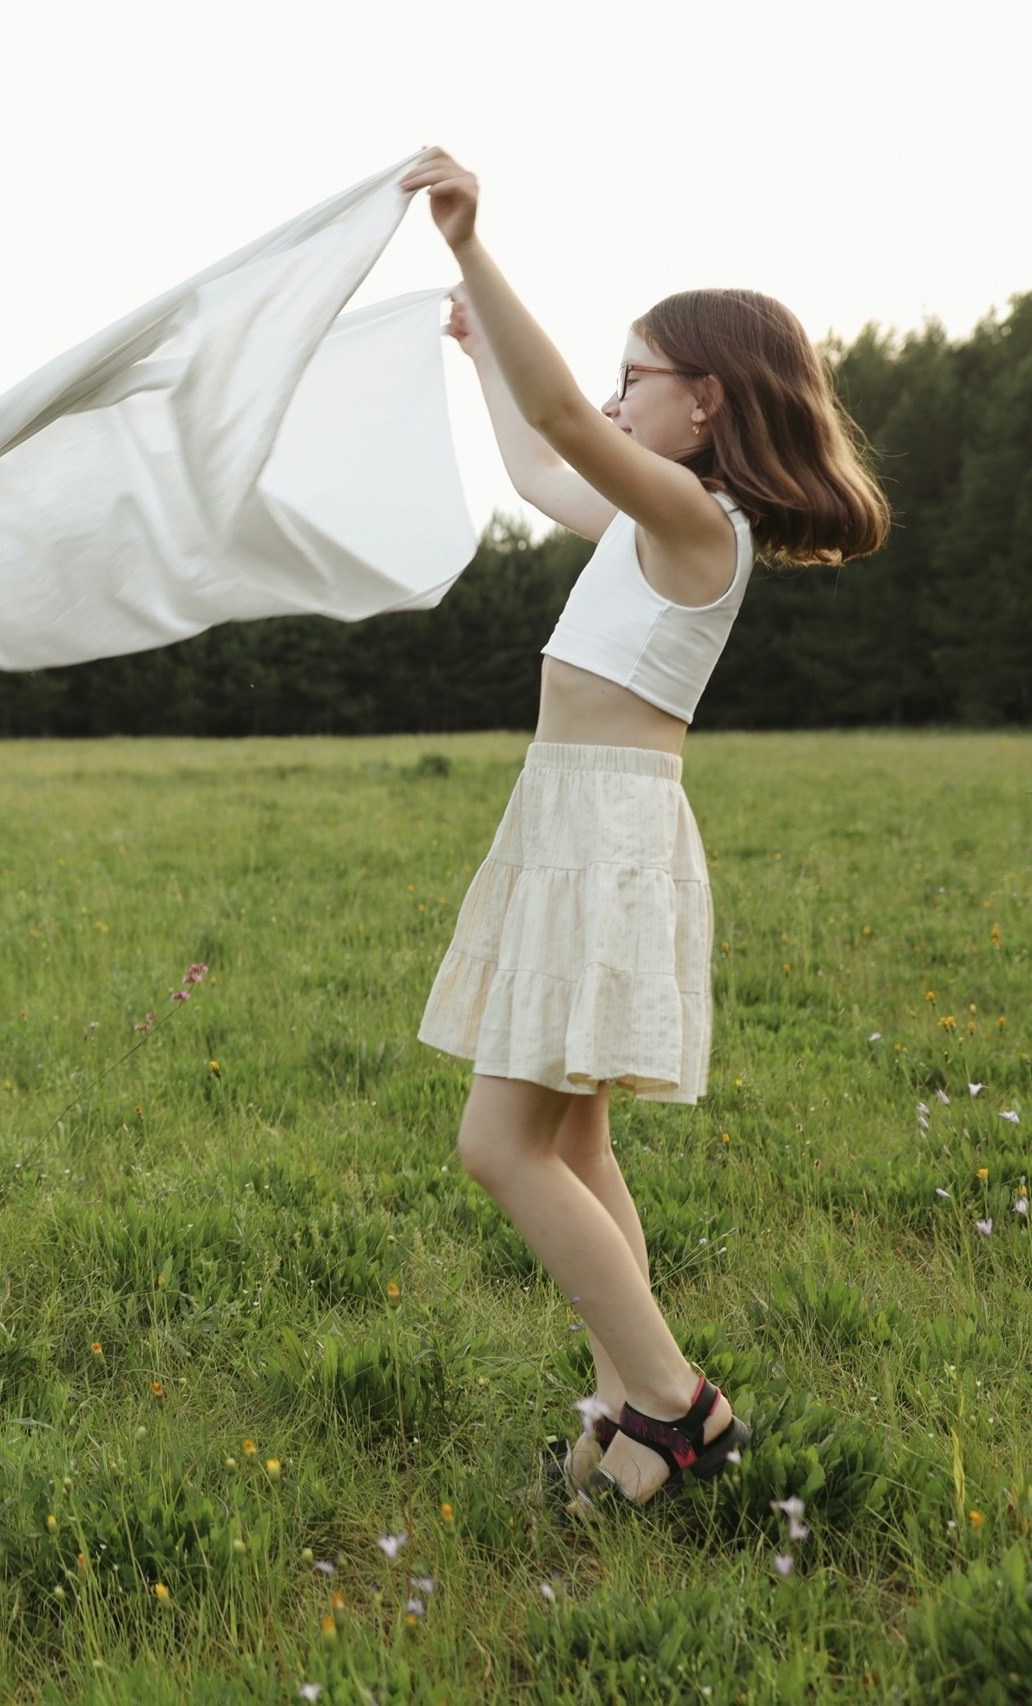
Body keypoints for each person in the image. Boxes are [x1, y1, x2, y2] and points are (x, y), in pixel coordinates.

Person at [402, 148, 887, 1504]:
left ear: (705, 398)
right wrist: (479, 355)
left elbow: (565, 417)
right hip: (573, 820)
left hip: (606, 834)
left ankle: (679, 1409)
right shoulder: (645, 518)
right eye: (617, 377)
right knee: (572, 1145)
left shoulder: (698, 523)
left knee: (498, 1145)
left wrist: (471, 248)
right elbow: (539, 460)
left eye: (638, 376)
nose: (617, 397)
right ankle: (627, 1417)